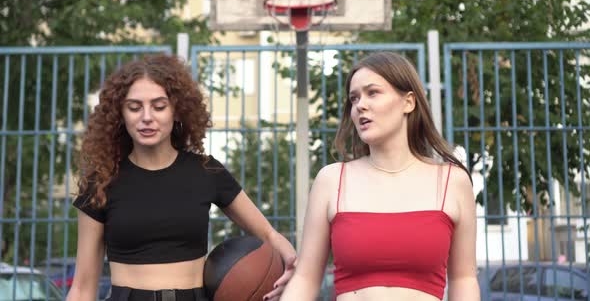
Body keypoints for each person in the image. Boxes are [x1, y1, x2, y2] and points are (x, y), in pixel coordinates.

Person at [66, 54, 296, 301]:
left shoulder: (207, 172)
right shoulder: (101, 182)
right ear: (121, 115)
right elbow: (83, 287)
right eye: (134, 107)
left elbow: (268, 234)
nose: (146, 117)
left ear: (176, 111)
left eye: (159, 106)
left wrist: (292, 262)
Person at [281, 52, 479, 301]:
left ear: (408, 102)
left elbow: (464, 280)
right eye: (354, 98)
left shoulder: (453, 182)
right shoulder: (332, 180)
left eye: (372, 92)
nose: (360, 105)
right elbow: (305, 278)